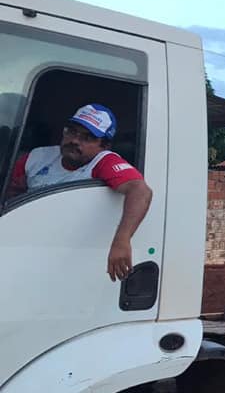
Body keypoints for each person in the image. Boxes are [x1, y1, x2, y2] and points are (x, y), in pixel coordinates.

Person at [6, 104, 152, 281]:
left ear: (104, 146)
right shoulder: (36, 157)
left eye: (87, 137)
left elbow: (140, 191)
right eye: (71, 131)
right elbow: (11, 195)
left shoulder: (103, 162)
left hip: (71, 253)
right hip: (25, 243)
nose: (75, 140)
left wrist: (122, 241)